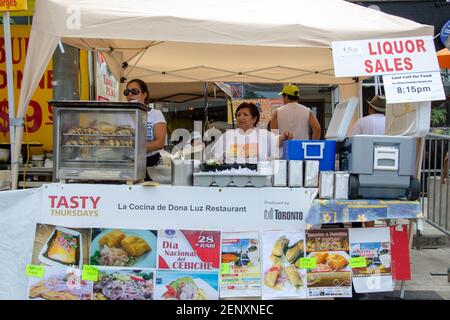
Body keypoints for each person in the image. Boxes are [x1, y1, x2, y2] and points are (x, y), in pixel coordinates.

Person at [211, 102, 292, 164]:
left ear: (254, 119)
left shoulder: (264, 135)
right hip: (231, 178)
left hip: (259, 178)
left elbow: (276, 142)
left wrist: (284, 137)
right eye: (238, 115)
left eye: (245, 115)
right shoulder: (227, 136)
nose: (241, 118)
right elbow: (216, 158)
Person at [124, 79, 166, 180]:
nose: (130, 95)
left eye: (134, 91)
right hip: (127, 162)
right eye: (127, 92)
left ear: (144, 94)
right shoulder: (121, 115)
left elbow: (160, 143)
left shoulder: (155, 114)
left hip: (151, 162)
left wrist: (133, 146)